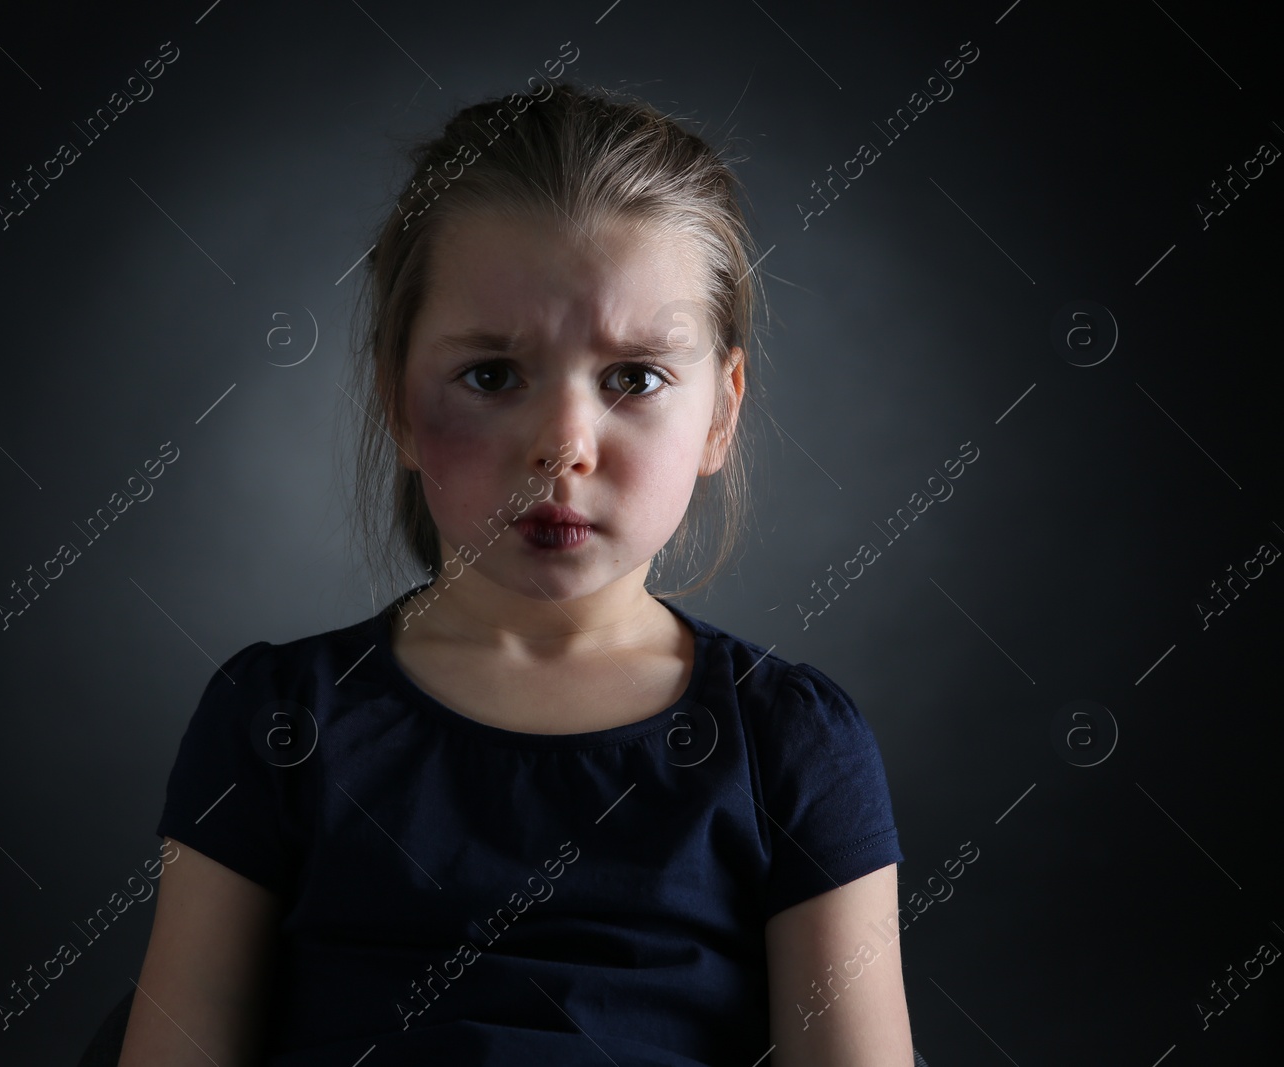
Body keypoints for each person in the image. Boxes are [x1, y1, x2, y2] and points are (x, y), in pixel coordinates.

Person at [118, 81, 916, 1066]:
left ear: (719, 412)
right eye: (492, 375)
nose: (562, 445)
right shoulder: (275, 722)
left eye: (634, 377)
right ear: (400, 402)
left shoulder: (792, 745)